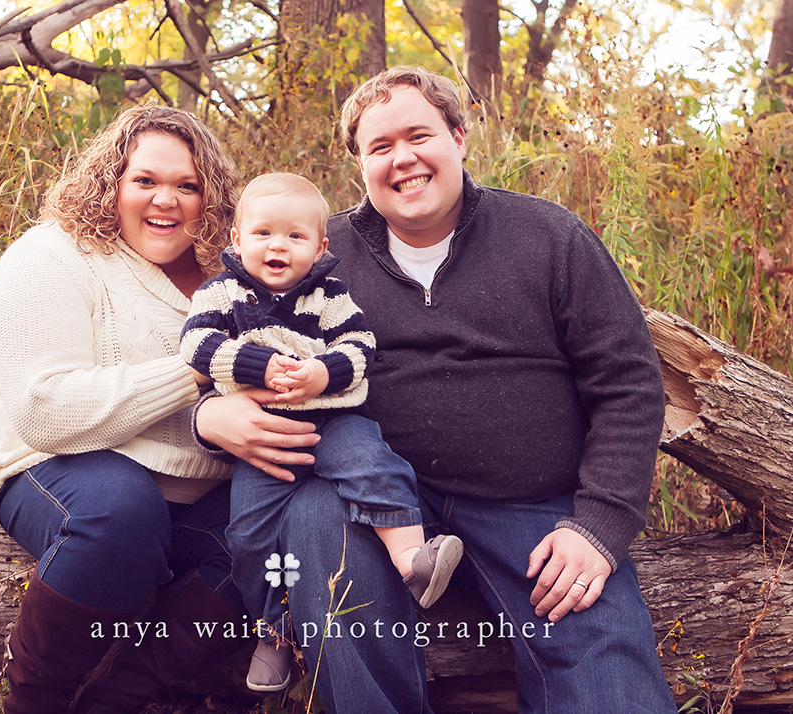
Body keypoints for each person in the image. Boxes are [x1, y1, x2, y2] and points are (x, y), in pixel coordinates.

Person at [195, 66, 678, 713]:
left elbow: (628, 383)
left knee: (605, 674)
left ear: (458, 136)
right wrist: (210, 412)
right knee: (315, 525)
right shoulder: (316, 252)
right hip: (372, 498)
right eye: (380, 146)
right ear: (359, 165)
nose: (403, 159)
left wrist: (598, 525)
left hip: (531, 508)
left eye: (418, 135)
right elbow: (226, 339)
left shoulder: (548, 237)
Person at [0, 103, 248, 714]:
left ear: (212, 199)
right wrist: (200, 369)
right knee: (121, 511)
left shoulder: (233, 278)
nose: (165, 201)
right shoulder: (53, 255)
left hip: (197, 491)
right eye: (145, 180)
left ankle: (118, 698)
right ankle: (34, 703)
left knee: (275, 541)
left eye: (188, 186)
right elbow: (42, 412)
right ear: (111, 183)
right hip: (54, 466)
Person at [179, 172, 463, 692]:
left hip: (330, 419)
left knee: (374, 465)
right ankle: (274, 631)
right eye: (262, 233)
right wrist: (255, 365)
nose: (277, 246)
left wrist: (320, 372)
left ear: (320, 246)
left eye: (295, 236)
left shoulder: (329, 295)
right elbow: (197, 345)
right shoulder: (222, 292)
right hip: (261, 437)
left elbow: (360, 346)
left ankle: (411, 559)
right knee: (246, 534)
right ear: (237, 239)